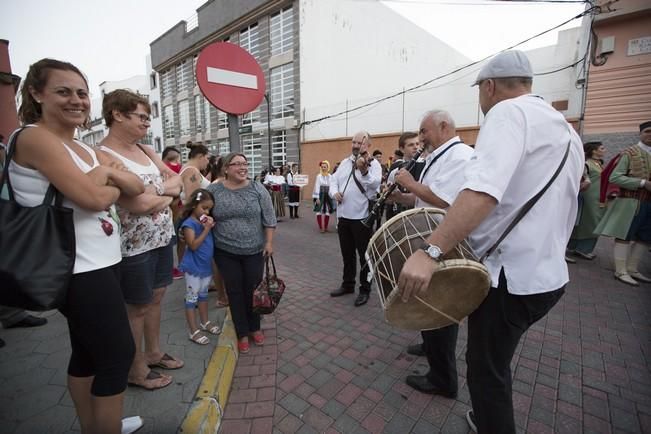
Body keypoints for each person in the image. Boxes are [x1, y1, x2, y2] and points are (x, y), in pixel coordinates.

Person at [397, 50, 583, 434]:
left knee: (485, 372)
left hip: (511, 277)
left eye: (480, 93)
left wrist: (430, 251)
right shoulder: (565, 130)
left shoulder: (507, 113)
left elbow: (482, 191)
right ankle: (485, 418)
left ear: (489, 87)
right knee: (492, 363)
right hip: (548, 276)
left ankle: (491, 424)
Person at [11, 59, 145, 433]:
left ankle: (98, 426)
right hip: (77, 269)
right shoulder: (33, 137)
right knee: (117, 356)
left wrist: (104, 173)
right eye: (63, 91)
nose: (76, 100)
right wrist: (107, 181)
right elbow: (93, 198)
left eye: (82, 93)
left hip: (105, 260)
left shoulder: (85, 150)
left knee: (87, 354)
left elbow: (137, 186)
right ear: (37, 94)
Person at [99, 89, 185, 391]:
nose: (147, 123)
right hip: (133, 246)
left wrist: (155, 193)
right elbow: (136, 205)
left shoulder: (148, 150)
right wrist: (165, 193)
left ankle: (153, 352)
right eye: (142, 117)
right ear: (117, 115)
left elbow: (179, 182)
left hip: (162, 237)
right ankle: (135, 369)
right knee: (136, 307)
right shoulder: (104, 155)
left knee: (158, 297)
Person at [390, 110, 473, 398]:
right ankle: (429, 346)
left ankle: (443, 379)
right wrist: (401, 196)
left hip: (442, 244)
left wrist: (410, 183)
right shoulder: (441, 154)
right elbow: (427, 194)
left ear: (443, 126)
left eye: (424, 131)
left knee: (440, 305)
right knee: (426, 297)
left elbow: (444, 200)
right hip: (429, 238)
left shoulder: (460, 156)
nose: (421, 138)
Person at [207, 153, 276, 353]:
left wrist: (269, 242)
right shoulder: (214, 190)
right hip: (225, 251)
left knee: (253, 290)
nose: (242, 167)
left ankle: (255, 327)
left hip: (254, 250)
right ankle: (242, 332)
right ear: (226, 169)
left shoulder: (257, 188)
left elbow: (269, 218)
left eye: (245, 163)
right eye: (237, 164)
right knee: (235, 291)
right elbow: (202, 212)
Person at [593, 122, 651, 286]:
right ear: (640, 133)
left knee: (645, 237)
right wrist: (642, 183)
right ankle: (620, 270)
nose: (650, 135)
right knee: (624, 234)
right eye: (648, 131)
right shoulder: (630, 153)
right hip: (630, 201)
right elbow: (615, 177)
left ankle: (632, 268)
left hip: (649, 202)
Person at [329, 131, 382, 307]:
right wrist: (334, 192)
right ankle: (348, 284)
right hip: (343, 217)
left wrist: (363, 170)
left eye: (360, 143)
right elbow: (333, 180)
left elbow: (374, 184)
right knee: (347, 254)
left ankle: (365, 290)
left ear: (368, 145)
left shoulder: (373, 164)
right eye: (354, 142)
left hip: (362, 218)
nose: (356, 145)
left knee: (365, 257)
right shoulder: (344, 163)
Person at [178, 188, 221, 345]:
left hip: (205, 267)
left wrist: (209, 225)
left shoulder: (203, 221)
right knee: (192, 298)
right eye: (204, 208)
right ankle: (193, 330)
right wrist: (207, 229)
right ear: (194, 205)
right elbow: (193, 245)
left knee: (203, 295)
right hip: (193, 268)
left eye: (209, 208)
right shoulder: (189, 224)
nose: (207, 211)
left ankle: (205, 322)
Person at [567, 141, 606, 260]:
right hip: (588, 197)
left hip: (598, 197)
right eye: (602, 148)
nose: (605, 150)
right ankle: (580, 248)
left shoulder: (598, 164)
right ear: (594, 150)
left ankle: (579, 247)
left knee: (590, 222)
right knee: (588, 223)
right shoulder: (587, 164)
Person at [385, 131, 421, 221]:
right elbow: (389, 201)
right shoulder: (395, 171)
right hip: (401, 217)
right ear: (401, 149)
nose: (415, 147)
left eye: (417, 144)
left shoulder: (426, 166)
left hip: (421, 216)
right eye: (411, 145)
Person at [312, 160, 335, 233]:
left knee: (327, 211)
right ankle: (321, 227)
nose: (323, 168)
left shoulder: (330, 176)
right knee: (319, 210)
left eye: (325, 167)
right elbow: (317, 186)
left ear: (328, 167)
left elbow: (331, 186)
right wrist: (317, 198)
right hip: (320, 194)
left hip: (328, 195)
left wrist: (332, 195)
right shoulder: (319, 176)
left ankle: (325, 227)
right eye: (322, 167)